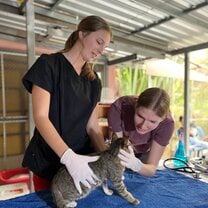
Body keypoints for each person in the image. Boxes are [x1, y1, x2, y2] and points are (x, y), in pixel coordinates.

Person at [22, 15, 111, 193]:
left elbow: (92, 126)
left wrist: (106, 158)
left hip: (82, 163)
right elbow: (40, 117)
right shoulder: (49, 65)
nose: (101, 50)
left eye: (105, 47)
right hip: (49, 162)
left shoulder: (93, 81)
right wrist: (69, 157)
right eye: (99, 42)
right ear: (82, 34)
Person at [107, 87, 174, 176]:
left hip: (144, 154)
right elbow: (118, 152)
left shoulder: (167, 124)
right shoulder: (119, 107)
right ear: (136, 106)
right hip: (124, 149)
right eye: (140, 116)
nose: (143, 126)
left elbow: (151, 169)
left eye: (152, 121)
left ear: (162, 119)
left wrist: (137, 165)